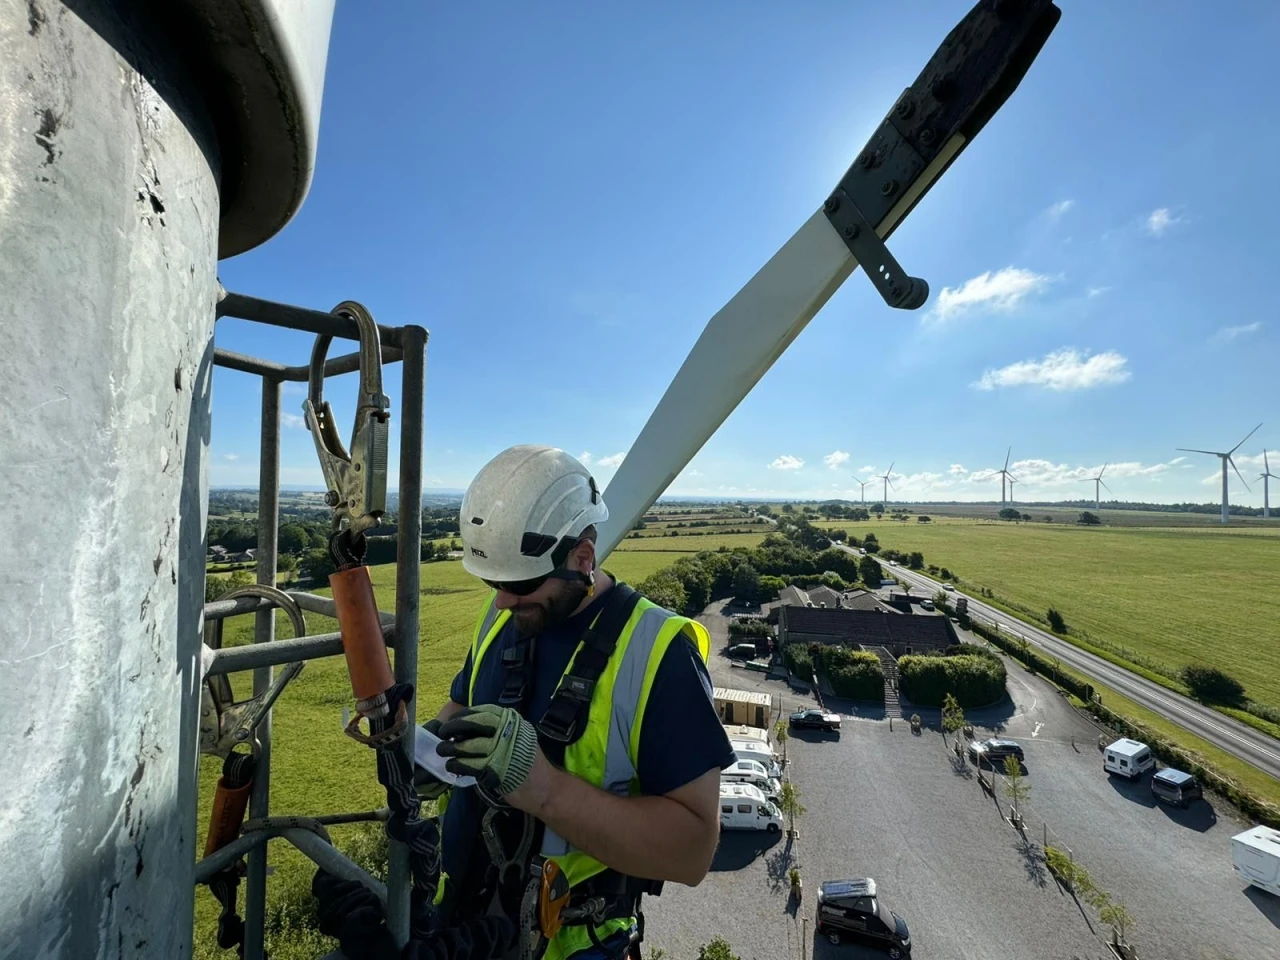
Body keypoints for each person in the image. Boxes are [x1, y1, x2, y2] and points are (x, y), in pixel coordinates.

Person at [415, 444, 737, 960]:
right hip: (462, 926)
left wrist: (543, 790)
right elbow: (462, 705)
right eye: (494, 582)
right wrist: (433, 747)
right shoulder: (505, 615)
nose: (501, 599)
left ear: (582, 558)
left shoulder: (658, 653)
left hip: (572, 944)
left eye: (519, 583)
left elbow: (693, 851)